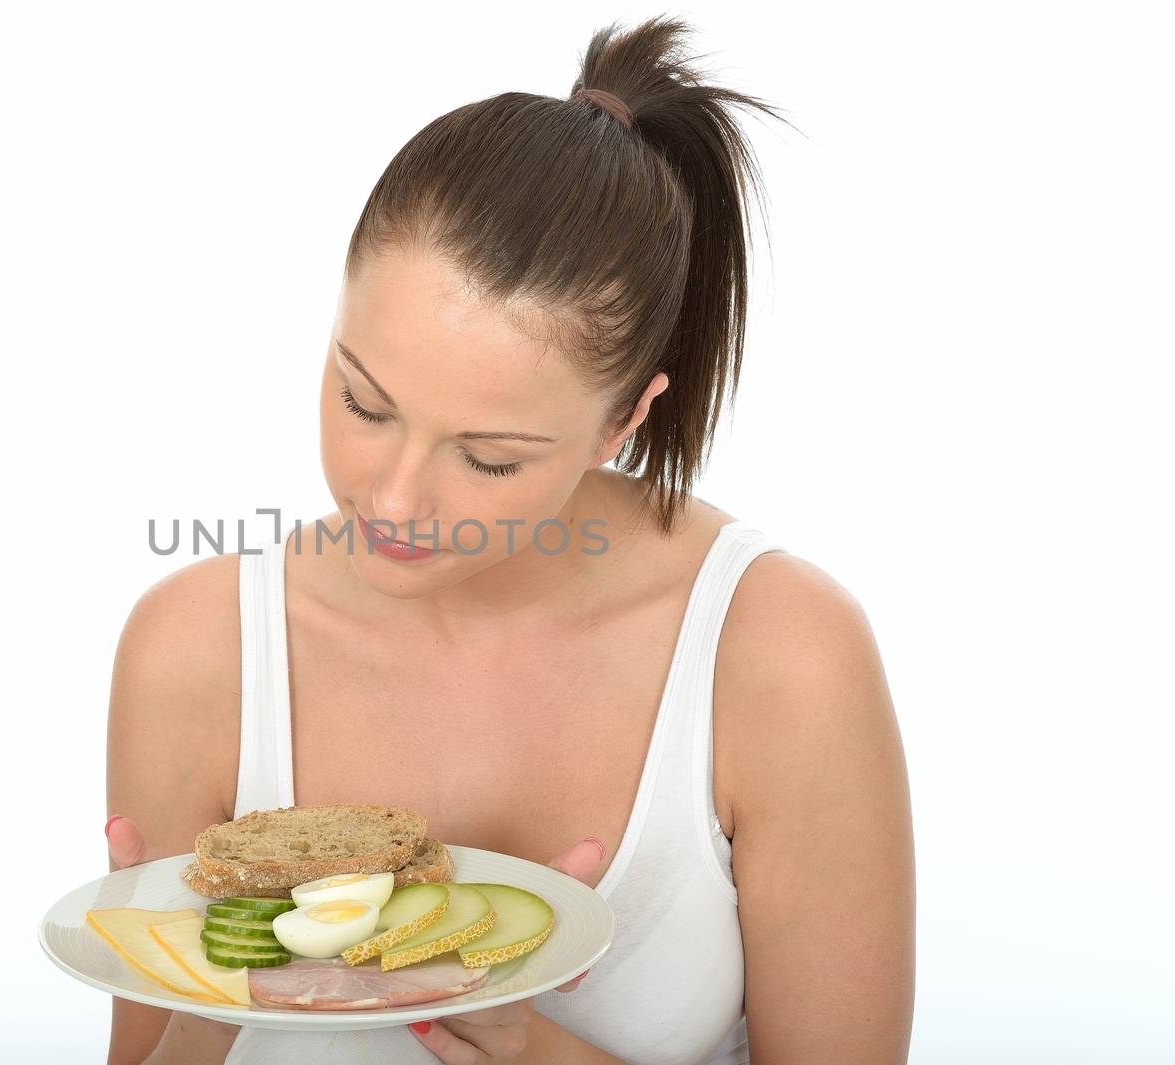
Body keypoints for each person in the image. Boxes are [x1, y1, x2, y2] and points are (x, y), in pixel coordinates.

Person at [102, 15, 914, 1065]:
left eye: (487, 461)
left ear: (624, 424)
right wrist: (206, 1000)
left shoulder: (778, 657)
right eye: (364, 402)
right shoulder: (196, 649)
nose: (391, 500)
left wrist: (535, 1050)